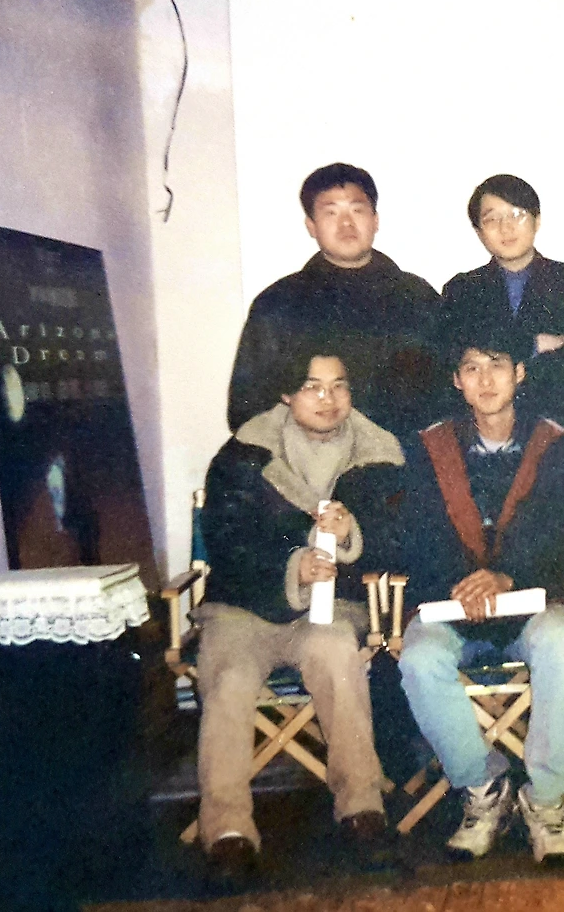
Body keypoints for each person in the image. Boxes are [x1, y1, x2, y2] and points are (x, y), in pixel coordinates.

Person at [197, 350, 402, 881]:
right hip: (244, 608)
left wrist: (353, 534)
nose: (328, 399)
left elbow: (404, 545)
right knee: (230, 677)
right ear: (287, 393)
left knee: (336, 654)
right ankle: (227, 830)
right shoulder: (241, 457)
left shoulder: (381, 457)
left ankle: (362, 808)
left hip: (332, 610)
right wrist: (293, 567)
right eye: (312, 386)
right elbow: (227, 545)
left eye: (339, 386)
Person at [394, 326, 564, 865]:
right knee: (419, 659)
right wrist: (465, 584)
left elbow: (563, 531)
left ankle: (546, 799)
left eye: (498, 364)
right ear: (456, 380)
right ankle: (484, 786)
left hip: (530, 600)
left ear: (520, 373)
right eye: (472, 367)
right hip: (454, 601)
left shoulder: (558, 444)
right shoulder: (426, 448)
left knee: (563, 645)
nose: (486, 379)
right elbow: (419, 534)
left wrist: (507, 577)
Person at [227, 163, 449, 439]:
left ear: (375, 220)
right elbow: (247, 411)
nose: (346, 224)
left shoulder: (417, 296)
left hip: (408, 457)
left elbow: (451, 394)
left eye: (357, 210)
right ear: (311, 226)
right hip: (309, 459)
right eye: (331, 212)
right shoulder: (278, 303)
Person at [441, 174, 564, 427]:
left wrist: (499, 351)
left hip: (560, 426)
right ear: (479, 232)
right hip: (484, 430)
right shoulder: (462, 289)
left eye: (516, 215)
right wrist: (534, 345)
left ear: (537, 220)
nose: (506, 228)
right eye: (492, 219)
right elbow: (454, 360)